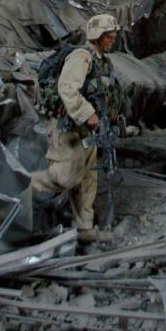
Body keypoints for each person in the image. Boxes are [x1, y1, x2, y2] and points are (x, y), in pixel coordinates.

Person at [31, 13, 122, 244]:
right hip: (67, 129)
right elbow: (68, 89)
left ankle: (84, 228)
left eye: (113, 36)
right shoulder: (81, 56)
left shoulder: (103, 62)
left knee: (88, 179)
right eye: (108, 36)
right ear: (97, 36)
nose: (112, 39)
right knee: (64, 178)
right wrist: (88, 114)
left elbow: (105, 96)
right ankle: (19, 187)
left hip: (87, 132)